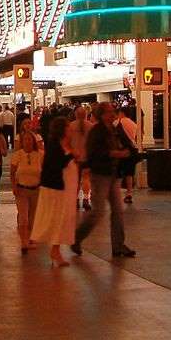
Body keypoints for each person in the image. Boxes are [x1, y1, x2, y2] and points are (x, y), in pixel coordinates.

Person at [71, 102, 136, 259]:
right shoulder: (97, 131)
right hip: (100, 175)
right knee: (98, 212)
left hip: (112, 174)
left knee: (118, 211)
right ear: (101, 114)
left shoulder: (113, 129)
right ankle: (76, 238)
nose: (113, 114)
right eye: (109, 112)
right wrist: (114, 154)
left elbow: (125, 144)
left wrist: (130, 153)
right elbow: (94, 152)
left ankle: (118, 245)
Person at [31, 118, 79, 267]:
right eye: (68, 128)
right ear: (62, 129)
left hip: (66, 185)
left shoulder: (65, 145)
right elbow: (57, 163)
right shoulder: (54, 145)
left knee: (64, 217)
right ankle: (55, 249)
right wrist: (72, 156)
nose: (71, 130)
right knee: (58, 217)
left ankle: (56, 249)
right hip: (57, 187)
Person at [9, 129, 42, 254]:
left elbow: (44, 172)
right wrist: (14, 186)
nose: (27, 142)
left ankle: (31, 238)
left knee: (33, 216)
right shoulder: (17, 155)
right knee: (23, 217)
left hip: (36, 189)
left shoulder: (40, 155)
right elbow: (12, 173)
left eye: (30, 139)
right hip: (22, 189)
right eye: (25, 140)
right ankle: (24, 241)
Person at [68, 105, 92, 211]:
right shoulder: (90, 126)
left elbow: (67, 142)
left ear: (76, 115)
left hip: (74, 157)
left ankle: (76, 199)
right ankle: (86, 198)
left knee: (75, 180)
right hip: (87, 156)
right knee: (86, 178)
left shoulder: (71, 126)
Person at [116, 108, 140, 204]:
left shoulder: (118, 122)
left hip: (121, 150)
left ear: (121, 113)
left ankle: (116, 193)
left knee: (118, 172)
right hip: (132, 149)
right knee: (129, 173)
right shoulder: (133, 124)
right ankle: (129, 193)